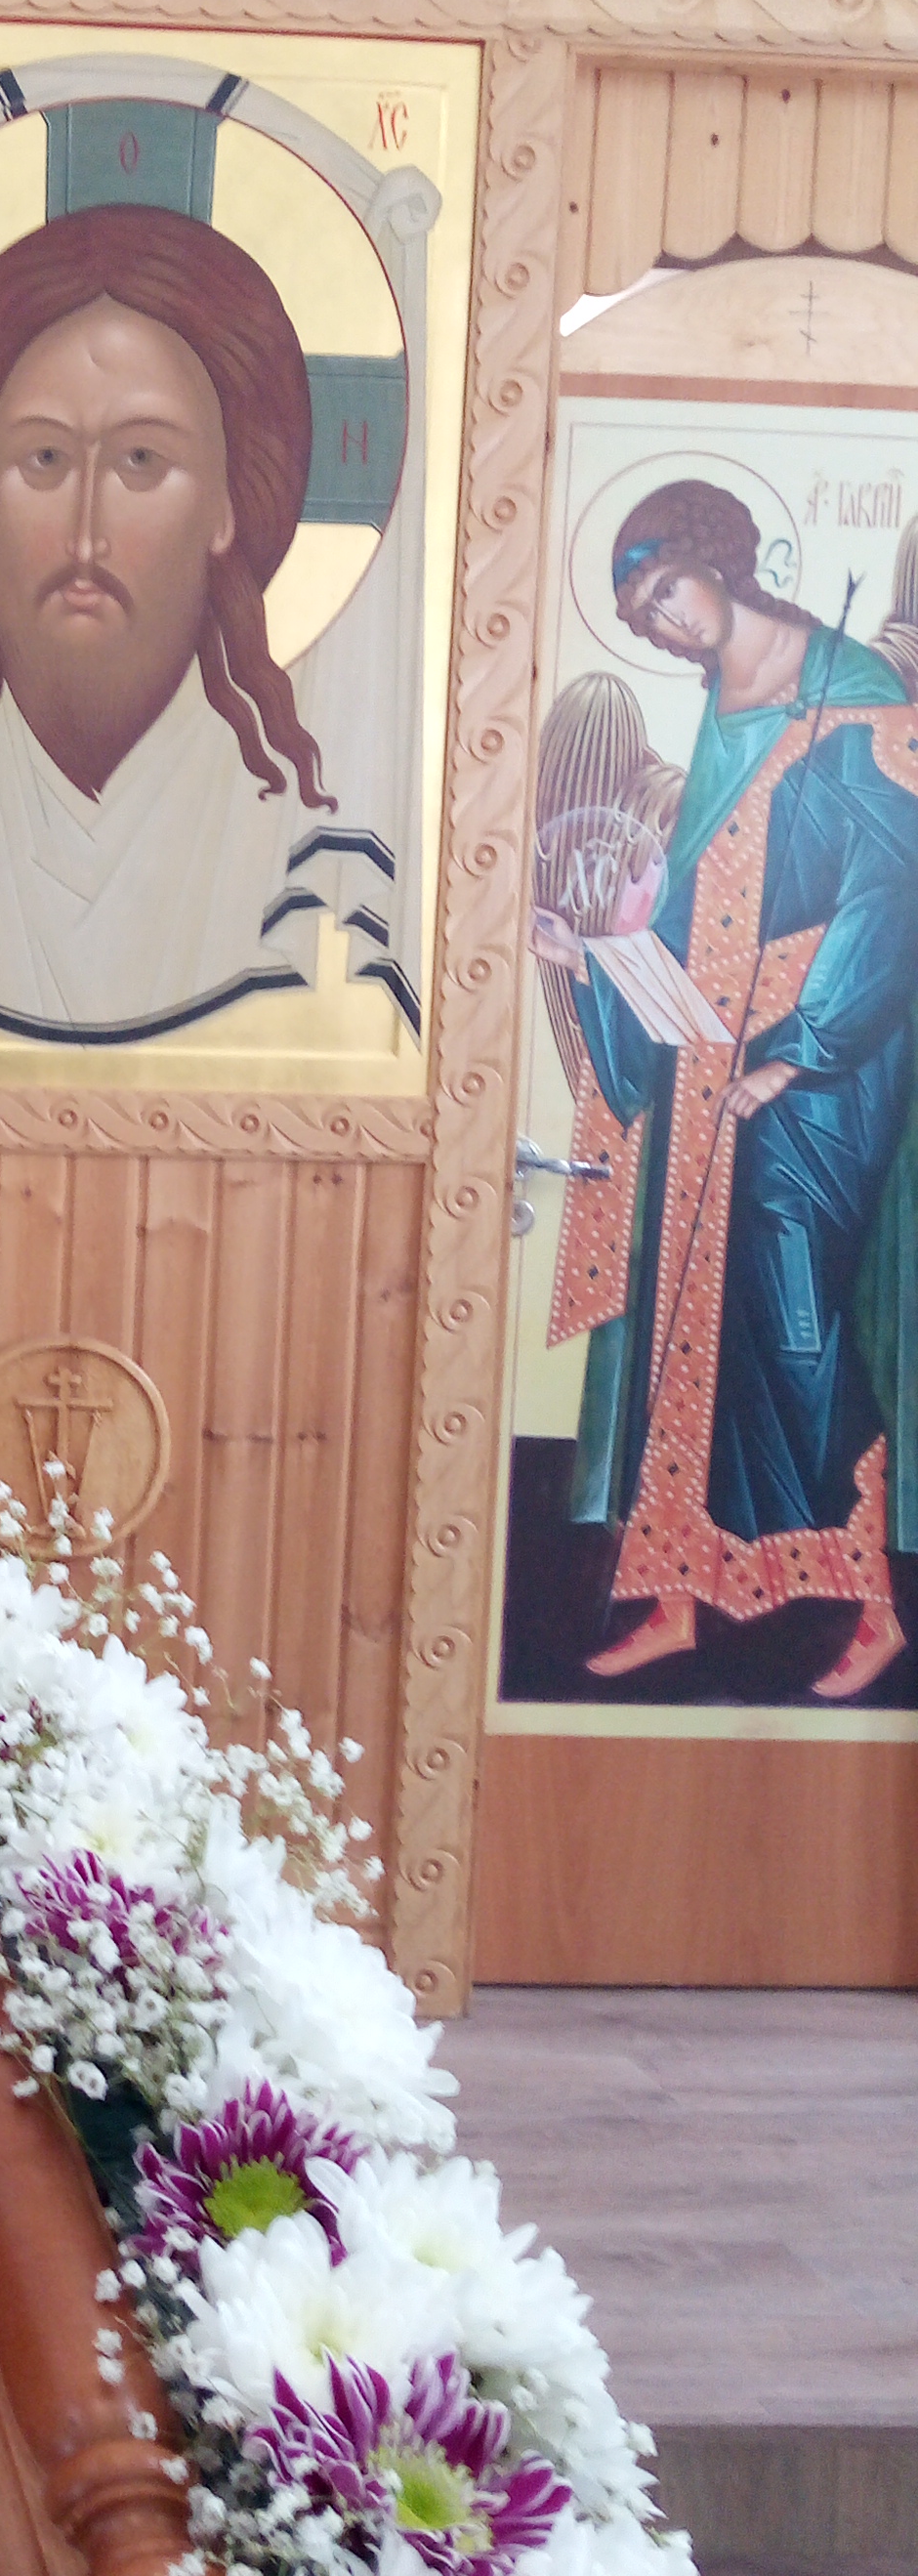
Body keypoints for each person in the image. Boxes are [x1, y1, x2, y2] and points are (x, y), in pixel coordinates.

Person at [530, 484, 918, 1703]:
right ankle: (677, 1593)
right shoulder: (721, 716)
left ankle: (869, 1604)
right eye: (643, 615)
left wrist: (799, 1047)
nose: (664, 622)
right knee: (679, 1325)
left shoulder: (853, 688)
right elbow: (697, 903)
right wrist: (593, 956)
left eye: (667, 592)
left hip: (816, 1074)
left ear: (717, 561)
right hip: (705, 1061)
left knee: (799, 1327)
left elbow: (891, 888)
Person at [0, 205, 392, 1039]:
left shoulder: (303, 849)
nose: (85, 536)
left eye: (142, 460)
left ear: (227, 507)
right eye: (44, 458)